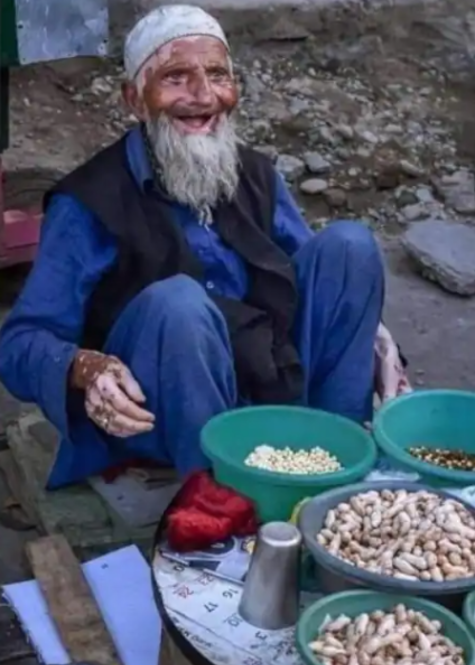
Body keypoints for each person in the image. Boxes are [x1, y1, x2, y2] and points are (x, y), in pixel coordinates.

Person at [0, 4, 410, 489]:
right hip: (164, 406)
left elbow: (324, 278)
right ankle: (218, 496)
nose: (203, 96)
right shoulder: (87, 202)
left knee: (351, 245)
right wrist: (87, 369)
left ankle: (337, 459)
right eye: (176, 77)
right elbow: (20, 344)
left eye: (217, 75)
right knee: (179, 303)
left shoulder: (253, 172)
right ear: (135, 99)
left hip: (269, 375)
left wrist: (376, 336)